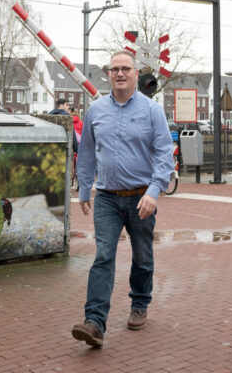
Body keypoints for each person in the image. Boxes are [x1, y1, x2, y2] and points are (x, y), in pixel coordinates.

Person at [71, 50, 174, 348]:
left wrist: (154, 193)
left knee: (142, 256)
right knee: (103, 255)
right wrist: (84, 189)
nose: (120, 74)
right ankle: (94, 323)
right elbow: (87, 151)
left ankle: (140, 303)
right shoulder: (96, 110)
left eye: (125, 69)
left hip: (142, 197)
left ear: (135, 74)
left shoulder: (152, 110)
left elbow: (164, 154)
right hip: (106, 198)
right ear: (108, 74)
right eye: (114, 69)